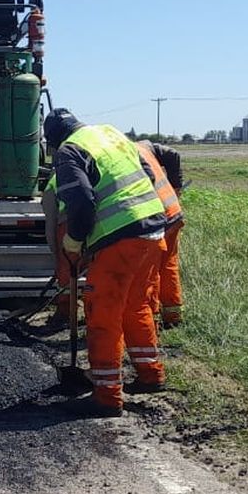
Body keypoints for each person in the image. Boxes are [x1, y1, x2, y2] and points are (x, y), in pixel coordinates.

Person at [44, 109, 171, 416]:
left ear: (54, 138)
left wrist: (73, 240)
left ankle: (107, 395)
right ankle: (151, 375)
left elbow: (81, 201)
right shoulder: (112, 134)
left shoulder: (69, 151)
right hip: (154, 228)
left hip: (120, 240)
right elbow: (148, 175)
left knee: (104, 315)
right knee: (137, 306)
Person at [136, 141, 186, 328]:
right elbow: (173, 154)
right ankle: (173, 316)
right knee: (168, 264)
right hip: (172, 211)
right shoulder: (145, 146)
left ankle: (153, 316)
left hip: (157, 216)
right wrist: (176, 188)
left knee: (152, 268)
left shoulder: (127, 152)